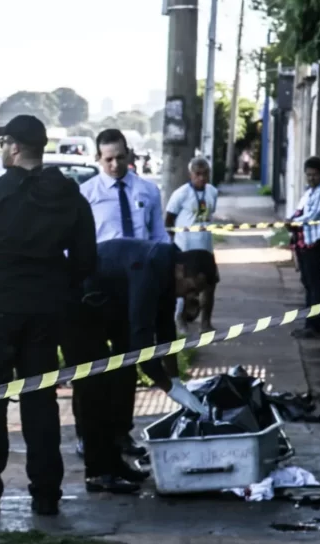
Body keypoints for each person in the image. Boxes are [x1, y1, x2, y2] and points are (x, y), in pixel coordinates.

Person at [0, 114, 97, 517]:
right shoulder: (69, 196)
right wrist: (59, 288)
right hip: (47, 312)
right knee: (40, 402)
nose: (1, 151)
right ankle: (46, 495)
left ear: (14, 147)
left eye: (3, 144)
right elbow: (86, 260)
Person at [78, 239, 215, 492]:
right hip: (84, 306)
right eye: (192, 288)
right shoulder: (150, 268)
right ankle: (97, 471)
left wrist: (175, 380)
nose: (190, 296)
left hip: (112, 307)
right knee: (96, 387)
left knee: (123, 376)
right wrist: (169, 389)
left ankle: (114, 459)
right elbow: (141, 341)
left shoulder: (168, 270)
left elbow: (164, 332)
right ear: (182, 270)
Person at [69, 128, 169, 460]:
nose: (114, 165)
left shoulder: (148, 191)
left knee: (129, 362)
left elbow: (159, 238)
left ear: (129, 154)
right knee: (91, 367)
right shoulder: (86, 195)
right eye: (107, 159)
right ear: (98, 159)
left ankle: (120, 432)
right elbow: (76, 247)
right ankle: (87, 434)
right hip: (98, 290)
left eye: (120, 157)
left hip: (136, 289)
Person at [165, 156, 220, 333]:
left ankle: (206, 323)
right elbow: (168, 221)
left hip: (206, 247)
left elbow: (209, 215)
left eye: (205, 174)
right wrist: (174, 245)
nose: (202, 178)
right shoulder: (181, 194)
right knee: (184, 288)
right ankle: (180, 319)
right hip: (186, 248)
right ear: (191, 175)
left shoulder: (212, 192)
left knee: (210, 285)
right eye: (198, 174)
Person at [290, 156, 320, 339]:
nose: (311, 178)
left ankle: (314, 325)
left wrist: (293, 222)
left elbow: (315, 215)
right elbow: (300, 211)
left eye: (314, 175)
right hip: (303, 240)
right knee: (307, 283)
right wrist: (292, 221)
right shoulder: (309, 191)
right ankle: (308, 323)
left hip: (314, 240)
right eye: (308, 175)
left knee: (315, 284)